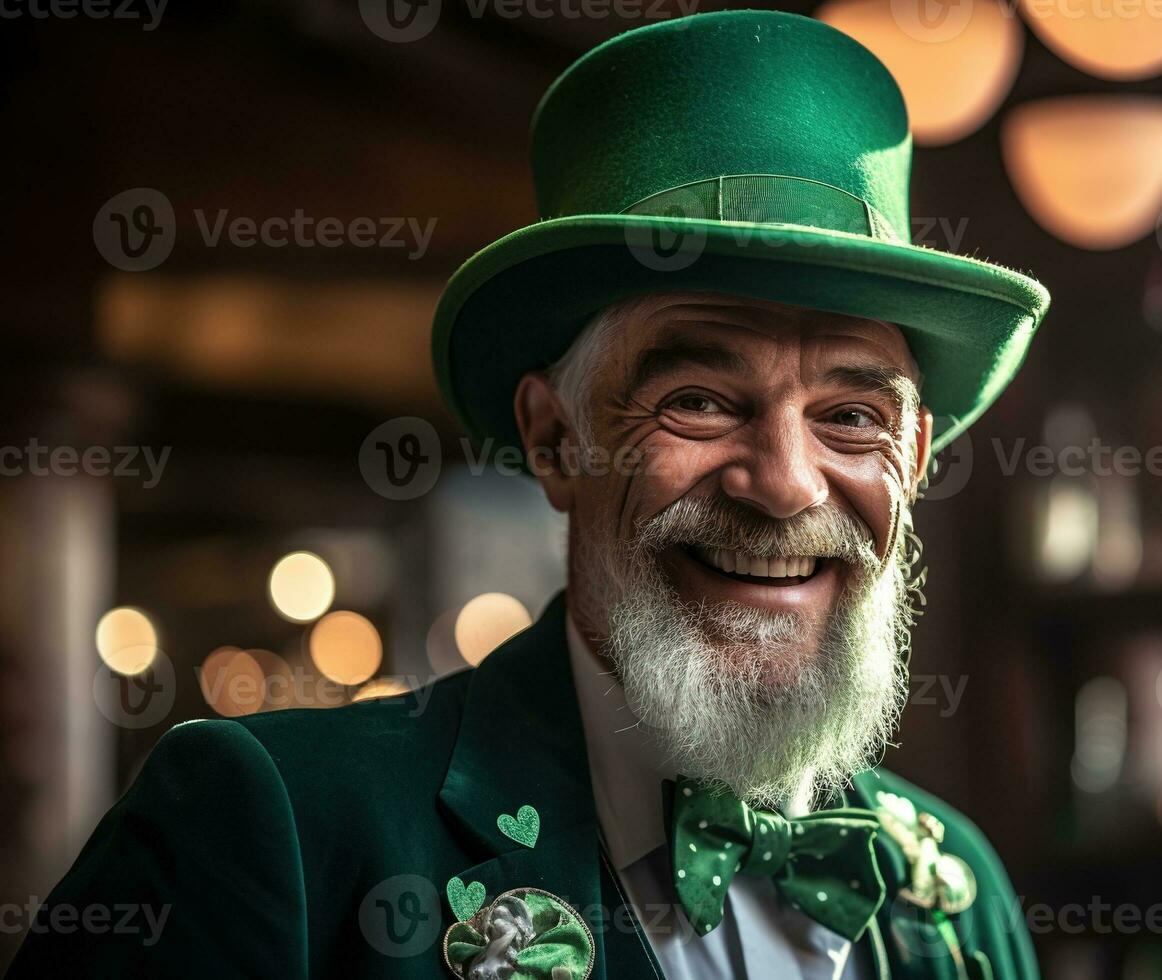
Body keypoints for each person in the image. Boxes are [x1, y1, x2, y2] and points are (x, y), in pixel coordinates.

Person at [8, 10, 1049, 979]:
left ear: (912, 458)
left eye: (851, 416)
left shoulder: (957, 893)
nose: (783, 482)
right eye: (697, 398)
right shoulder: (265, 823)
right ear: (557, 439)